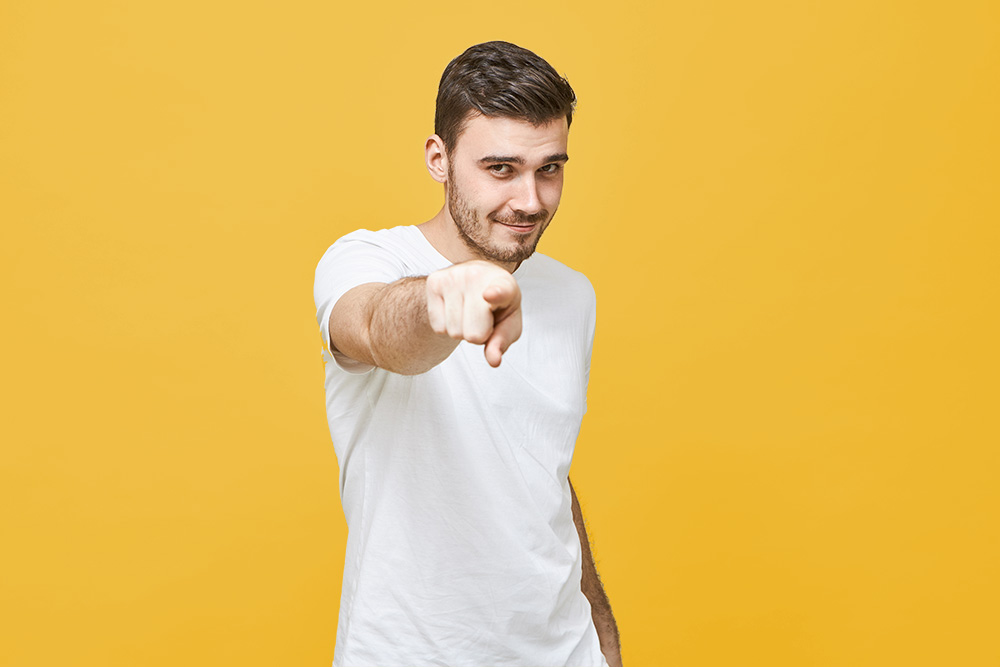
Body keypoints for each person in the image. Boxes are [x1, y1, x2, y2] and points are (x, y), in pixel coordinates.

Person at [313, 40, 622, 667]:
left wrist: (601, 633)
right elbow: (373, 327)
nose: (531, 201)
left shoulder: (572, 296)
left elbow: (540, 471)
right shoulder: (368, 262)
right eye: (501, 169)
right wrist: (440, 297)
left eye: (550, 169)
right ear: (439, 157)